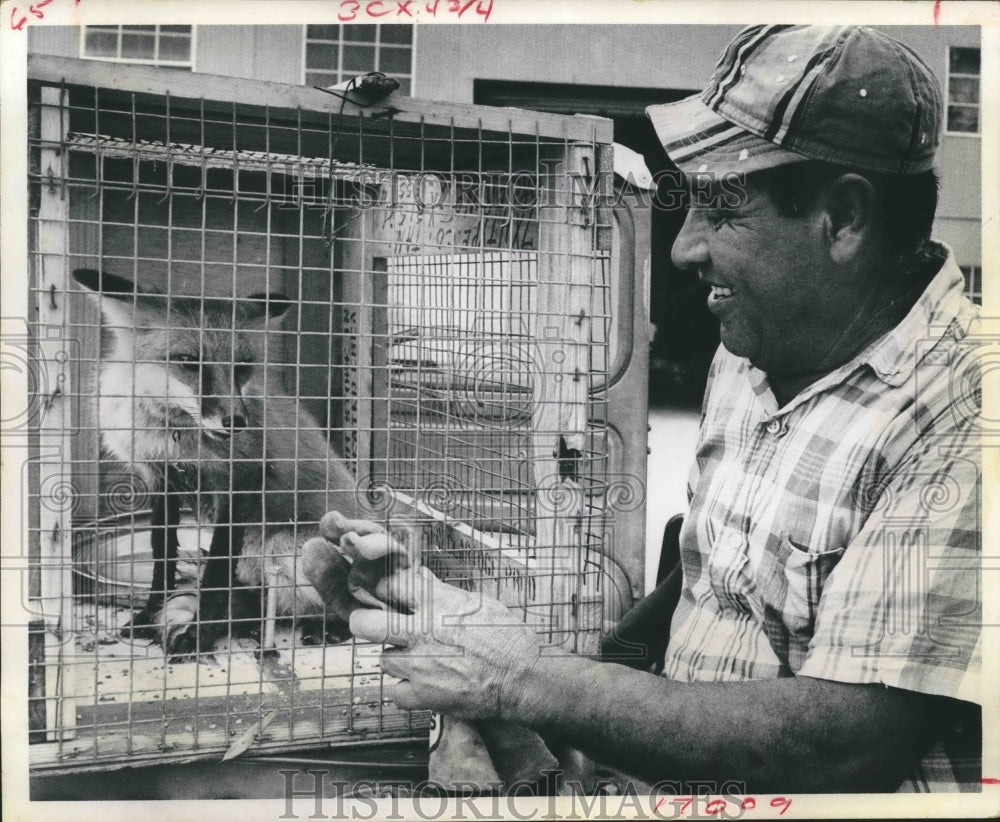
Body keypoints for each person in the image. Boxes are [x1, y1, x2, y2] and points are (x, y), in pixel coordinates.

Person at [306, 25, 982, 793]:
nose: (683, 249)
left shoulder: (965, 412)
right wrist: (478, 637)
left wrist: (522, 679)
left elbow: (851, 743)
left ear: (844, 218)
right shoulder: (752, 351)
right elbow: (709, 578)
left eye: (722, 212)